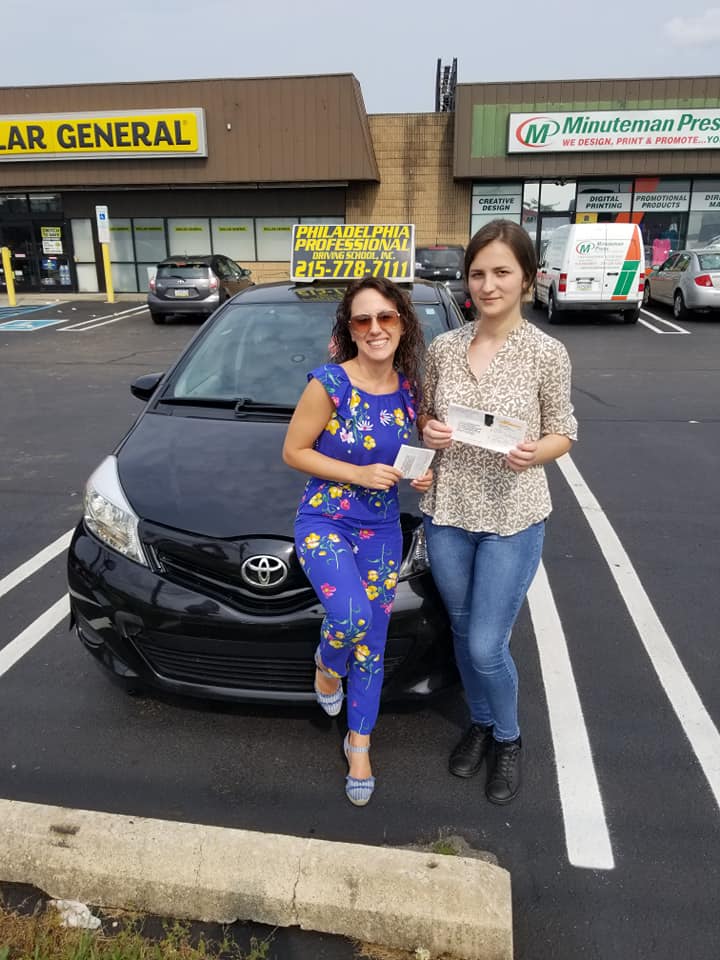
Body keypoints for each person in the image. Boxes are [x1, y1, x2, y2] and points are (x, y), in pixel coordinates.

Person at [418, 219, 578, 805]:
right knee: (462, 630)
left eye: (501, 272)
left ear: (527, 279)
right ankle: (481, 723)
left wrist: (539, 451)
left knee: (488, 643)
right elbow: (427, 419)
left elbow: (564, 430)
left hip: (513, 513)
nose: (488, 284)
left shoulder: (546, 353)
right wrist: (430, 433)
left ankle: (508, 737)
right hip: (450, 511)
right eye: (479, 273)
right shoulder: (444, 348)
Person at [282, 276, 432, 806]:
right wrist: (358, 474)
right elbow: (295, 451)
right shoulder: (329, 383)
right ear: (350, 329)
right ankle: (325, 668)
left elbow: (405, 453)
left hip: (383, 527)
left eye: (385, 317)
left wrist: (421, 475)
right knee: (350, 619)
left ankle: (360, 742)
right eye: (362, 319)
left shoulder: (411, 389)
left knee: (373, 643)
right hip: (325, 519)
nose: (375, 328)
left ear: (401, 322)